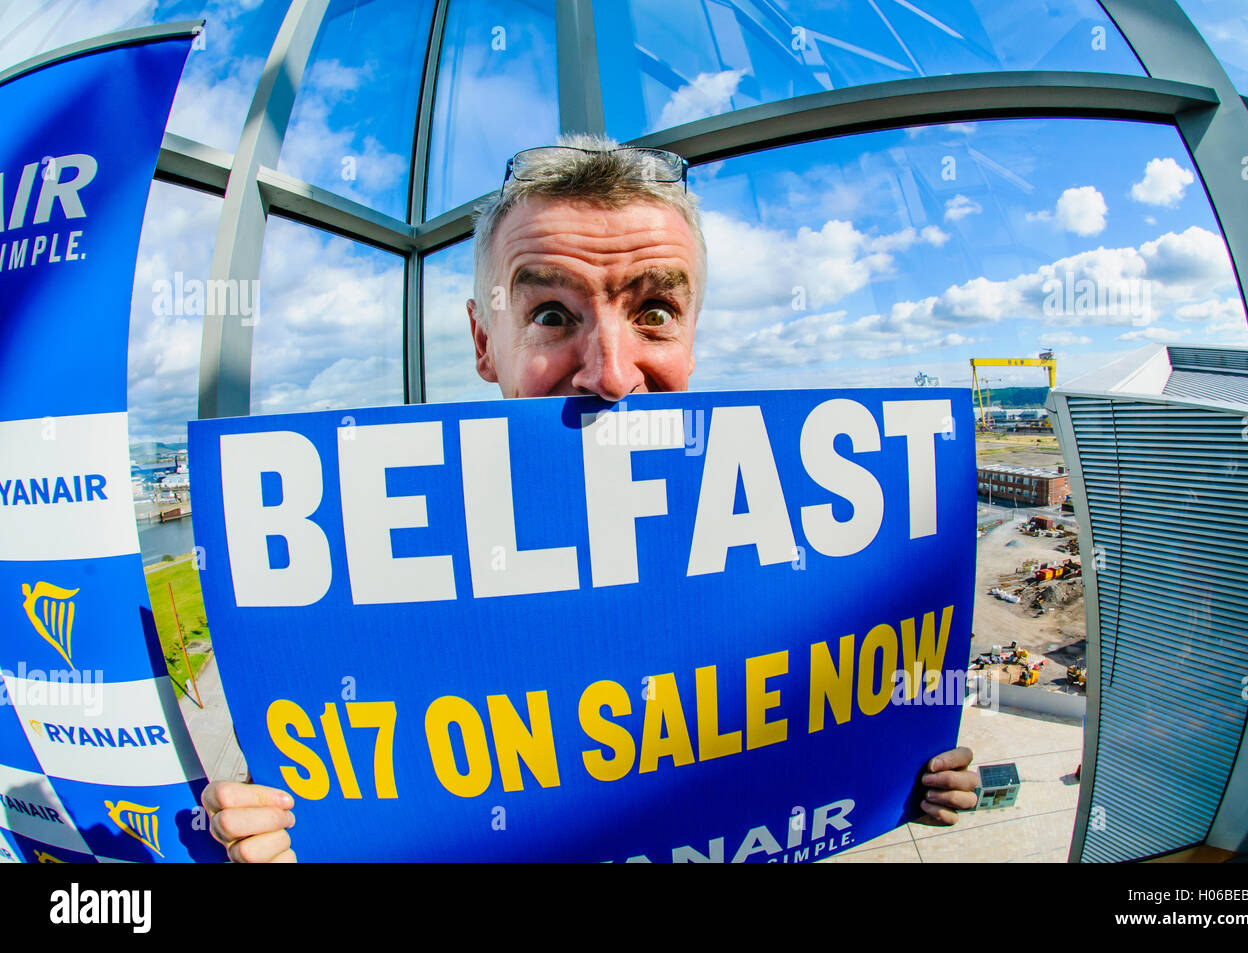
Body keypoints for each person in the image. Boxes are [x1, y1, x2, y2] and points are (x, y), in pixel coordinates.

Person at [202, 135, 979, 863]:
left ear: (693, 332)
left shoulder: (785, 546)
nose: (611, 374)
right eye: (550, 314)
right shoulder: (355, 593)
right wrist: (260, 833)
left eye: (654, 312)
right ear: (483, 343)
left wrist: (895, 772)